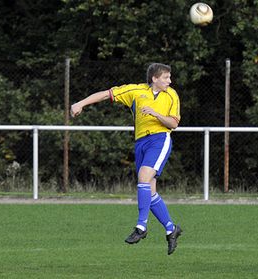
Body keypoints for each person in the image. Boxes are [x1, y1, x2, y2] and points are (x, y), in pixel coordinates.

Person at [70, 63, 183, 255]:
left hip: (159, 139)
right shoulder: (136, 91)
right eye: (166, 77)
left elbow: (173, 123)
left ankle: (141, 226)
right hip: (141, 143)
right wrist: (80, 103)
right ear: (154, 78)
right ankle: (171, 229)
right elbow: (106, 94)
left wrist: (156, 114)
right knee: (150, 191)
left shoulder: (171, 95)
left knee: (143, 177)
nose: (170, 81)